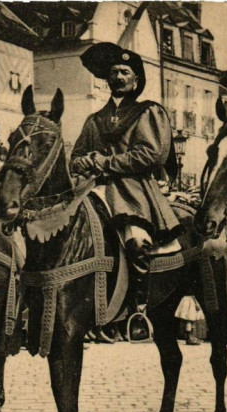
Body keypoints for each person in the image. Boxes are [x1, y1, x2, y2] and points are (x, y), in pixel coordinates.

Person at [70, 42, 182, 340]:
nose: (118, 77)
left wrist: (103, 161)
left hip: (133, 192)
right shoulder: (94, 120)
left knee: (136, 239)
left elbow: (151, 154)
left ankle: (137, 309)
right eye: (113, 73)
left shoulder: (148, 113)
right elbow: (76, 157)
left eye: (124, 72)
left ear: (136, 79)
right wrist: (86, 162)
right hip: (93, 189)